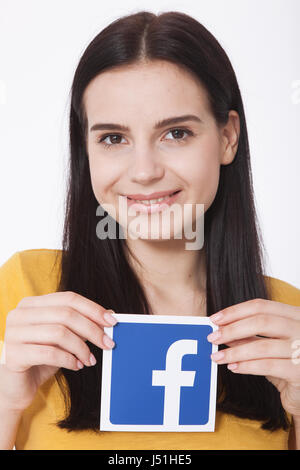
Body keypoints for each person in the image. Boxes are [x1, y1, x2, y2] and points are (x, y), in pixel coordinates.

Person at [0, 10, 299, 451]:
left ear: (228, 137)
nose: (143, 172)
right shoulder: (26, 293)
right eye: (113, 138)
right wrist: (6, 402)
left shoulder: (286, 320)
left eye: (176, 133)